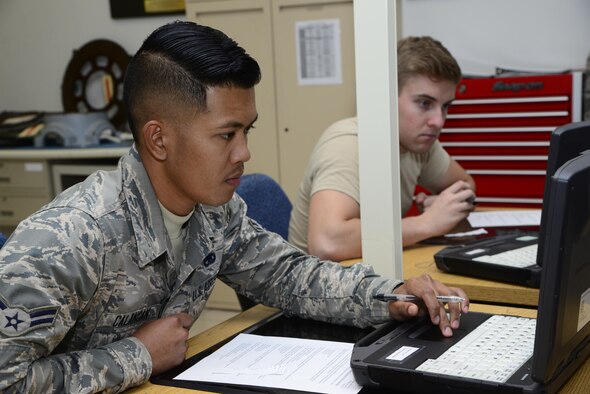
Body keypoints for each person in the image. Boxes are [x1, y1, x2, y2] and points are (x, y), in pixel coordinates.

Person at [0, 22, 469, 393]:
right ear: (158, 138)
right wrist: (137, 355)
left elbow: (294, 278)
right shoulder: (65, 243)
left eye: (248, 131)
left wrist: (396, 298)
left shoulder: (215, 213)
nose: (243, 153)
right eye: (227, 134)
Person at [288, 36, 477, 261]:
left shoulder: (420, 143)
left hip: (365, 275)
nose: (438, 121)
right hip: (313, 289)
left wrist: (445, 203)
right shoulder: (348, 144)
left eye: (445, 106)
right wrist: (427, 223)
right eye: (424, 103)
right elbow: (327, 243)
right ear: (386, 97)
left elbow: (465, 185)